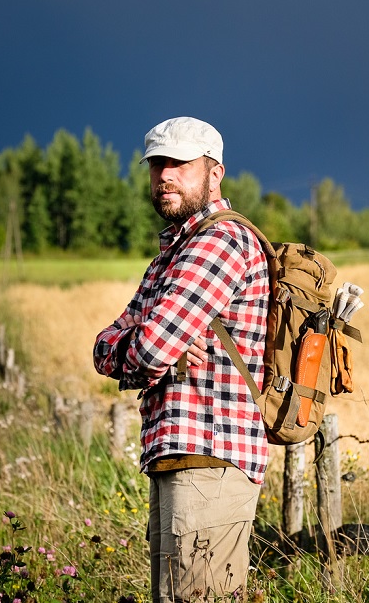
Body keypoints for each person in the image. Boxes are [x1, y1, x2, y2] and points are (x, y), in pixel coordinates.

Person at [93, 116, 269, 602]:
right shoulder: (170, 256)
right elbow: (104, 347)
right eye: (157, 165)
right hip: (182, 460)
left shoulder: (218, 242)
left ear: (215, 174)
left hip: (210, 462)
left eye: (180, 164)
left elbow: (146, 347)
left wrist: (152, 348)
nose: (165, 175)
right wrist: (156, 351)